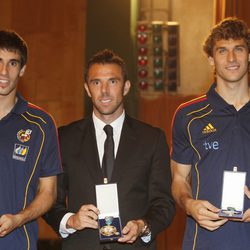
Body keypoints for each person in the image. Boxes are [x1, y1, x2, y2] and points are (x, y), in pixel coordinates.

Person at [45, 49, 175, 250]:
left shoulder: (152, 139)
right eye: (96, 83)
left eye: (112, 82)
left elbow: (164, 203)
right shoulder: (64, 138)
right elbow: (49, 199)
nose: (104, 91)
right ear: (87, 89)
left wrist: (143, 225)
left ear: (126, 87)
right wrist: (70, 221)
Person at [171, 17, 250, 250]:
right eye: (222, 51)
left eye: (239, 49)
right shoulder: (188, 116)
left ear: (249, 54)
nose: (232, 58)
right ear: (210, 59)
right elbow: (178, 179)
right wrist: (189, 204)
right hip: (205, 242)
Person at [0, 29, 62, 249]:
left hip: (16, 243)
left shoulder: (41, 125)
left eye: (13, 63)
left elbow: (49, 192)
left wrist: (19, 218)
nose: (4, 71)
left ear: (23, 69)